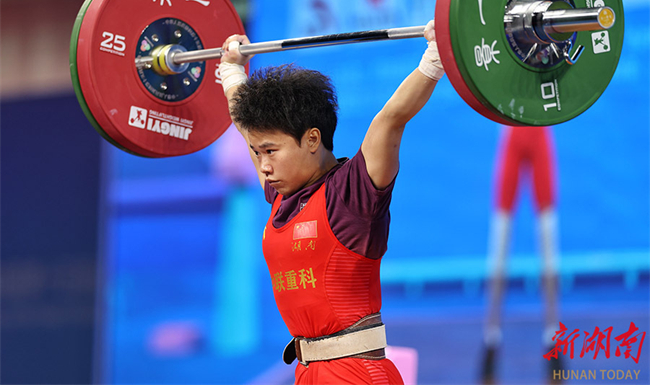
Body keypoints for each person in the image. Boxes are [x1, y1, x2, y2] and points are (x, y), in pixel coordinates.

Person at [217, 20, 444, 385]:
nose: (263, 165)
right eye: (258, 153)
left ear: (312, 139)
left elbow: (391, 119)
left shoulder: (352, 194)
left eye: (271, 152)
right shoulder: (282, 195)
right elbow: (250, 131)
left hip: (357, 374)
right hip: (307, 373)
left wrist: (436, 56)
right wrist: (232, 72)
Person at [480, 126, 562, 384]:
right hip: (512, 136)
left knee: (548, 244)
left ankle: (553, 338)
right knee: (499, 246)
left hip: (540, 135)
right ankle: (490, 340)